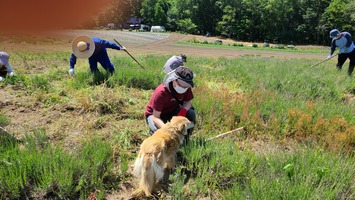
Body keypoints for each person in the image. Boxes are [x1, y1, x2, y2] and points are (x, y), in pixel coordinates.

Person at [145, 66, 196, 136]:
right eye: (181, 85)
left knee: (190, 113)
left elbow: (187, 102)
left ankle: (186, 138)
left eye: (186, 86)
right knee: (159, 133)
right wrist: (167, 129)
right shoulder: (161, 92)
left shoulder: (186, 88)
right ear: (174, 80)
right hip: (155, 115)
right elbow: (156, 117)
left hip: (172, 112)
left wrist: (182, 113)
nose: (184, 88)